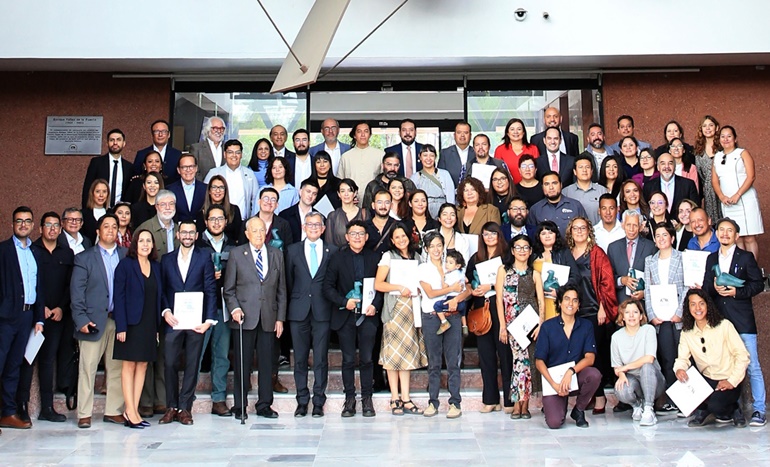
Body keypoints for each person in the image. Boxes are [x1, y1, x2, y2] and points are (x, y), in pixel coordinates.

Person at [703, 217, 766, 426]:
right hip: (720, 321)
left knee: (752, 365)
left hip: (742, 320)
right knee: (726, 367)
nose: (725, 234)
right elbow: (705, 288)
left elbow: (757, 284)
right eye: (721, 230)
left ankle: (759, 409)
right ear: (716, 233)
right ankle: (734, 409)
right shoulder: (711, 258)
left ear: (736, 235)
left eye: (729, 230)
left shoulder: (746, 257)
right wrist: (714, 288)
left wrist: (737, 292)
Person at [224, 216, 287, 420]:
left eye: (262, 230)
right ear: (247, 233)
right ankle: (240, 405)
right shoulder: (236, 254)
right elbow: (229, 289)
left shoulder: (276, 254)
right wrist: (234, 309)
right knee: (242, 363)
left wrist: (280, 318)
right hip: (244, 318)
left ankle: (264, 404)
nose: (259, 234)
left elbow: (281, 289)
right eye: (255, 230)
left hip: (269, 316)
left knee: (267, 362)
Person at [157, 220, 217, 426]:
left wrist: (208, 320)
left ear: (197, 235)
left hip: (196, 322)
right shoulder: (166, 259)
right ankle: (171, 407)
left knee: (192, 364)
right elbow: (162, 289)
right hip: (173, 320)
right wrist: (165, 311)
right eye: (184, 232)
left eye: (192, 232)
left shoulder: (204, 257)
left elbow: (210, 288)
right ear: (178, 235)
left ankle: (185, 408)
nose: (188, 236)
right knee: (170, 363)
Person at [71, 214, 127, 429]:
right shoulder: (84, 258)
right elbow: (77, 293)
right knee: (88, 369)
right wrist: (81, 320)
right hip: (92, 322)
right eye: (106, 226)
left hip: (118, 321)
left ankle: (113, 411)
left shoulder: (125, 255)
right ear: (98, 231)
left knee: (116, 368)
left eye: (114, 226)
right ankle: (84, 413)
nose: (111, 230)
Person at [16, 212, 72, 424]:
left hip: (56, 317)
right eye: (48, 225)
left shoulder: (67, 253)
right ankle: (22, 406)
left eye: (56, 225)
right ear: (40, 228)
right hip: (35, 316)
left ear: (61, 229)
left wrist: (60, 308)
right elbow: (30, 283)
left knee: (48, 361)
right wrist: (43, 308)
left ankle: (47, 408)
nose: (52, 229)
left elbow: (70, 285)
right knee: (28, 360)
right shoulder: (32, 251)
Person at [323, 220, 382, 417]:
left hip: (368, 316)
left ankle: (367, 399)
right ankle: (349, 399)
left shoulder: (375, 258)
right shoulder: (337, 258)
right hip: (345, 316)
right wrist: (343, 301)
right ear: (347, 237)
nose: (357, 237)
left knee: (367, 359)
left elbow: (382, 286)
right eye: (353, 234)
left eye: (361, 234)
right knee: (348, 359)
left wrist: (375, 305)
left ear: (367, 237)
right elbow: (327, 287)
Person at [286, 212, 338, 418]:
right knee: (299, 358)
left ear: (323, 228)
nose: (314, 228)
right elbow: (289, 281)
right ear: (303, 227)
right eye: (310, 224)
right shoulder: (292, 250)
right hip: (298, 310)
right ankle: (301, 400)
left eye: (318, 225)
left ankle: (318, 401)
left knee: (320, 358)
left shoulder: (332, 251)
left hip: (322, 310)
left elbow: (334, 281)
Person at [565, 216, 618, 414]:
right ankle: (588, 394)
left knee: (595, 355)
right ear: (570, 232)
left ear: (589, 231)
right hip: (574, 311)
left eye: (583, 228)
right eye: (575, 228)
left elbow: (607, 282)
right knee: (578, 355)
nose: (579, 231)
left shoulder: (597, 253)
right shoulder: (567, 254)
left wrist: (603, 307)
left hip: (594, 311)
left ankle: (600, 397)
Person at [675, 289, 749, 428]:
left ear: (708, 305)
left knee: (717, 406)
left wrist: (731, 381)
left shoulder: (724, 325)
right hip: (707, 379)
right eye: (693, 304)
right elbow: (682, 358)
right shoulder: (687, 332)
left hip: (727, 379)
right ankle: (703, 408)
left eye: (701, 303)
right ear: (688, 308)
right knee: (683, 387)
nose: (697, 308)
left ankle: (733, 408)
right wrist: (679, 369)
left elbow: (742, 355)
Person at [375, 222, 428, 416]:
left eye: (403, 236)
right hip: (394, 310)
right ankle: (394, 397)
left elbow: (424, 282)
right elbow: (378, 284)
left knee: (406, 355)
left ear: (409, 236)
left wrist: (419, 289)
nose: (401, 240)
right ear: (392, 240)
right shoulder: (388, 257)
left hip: (412, 311)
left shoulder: (418, 257)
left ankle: (406, 398)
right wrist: (399, 287)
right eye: (396, 237)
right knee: (393, 356)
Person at [0, 207, 44, 431]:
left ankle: (8, 413)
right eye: (19, 221)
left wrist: (39, 319)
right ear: (12, 225)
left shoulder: (35, 252)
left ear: (33, 225)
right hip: (6, 317)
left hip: (27, 316)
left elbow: (39, 286)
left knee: (14, 366)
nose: (23, 224)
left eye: (27, 221)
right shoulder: (3, 250)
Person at [113, 229, 162, 429]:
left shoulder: (156, 267)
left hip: (149, 324)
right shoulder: (125, 265)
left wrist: (157, 327)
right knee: (129, 365)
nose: (145, 244)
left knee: (143, 365)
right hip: (130, 324)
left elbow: (158, 297)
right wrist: (121, 326)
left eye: (148, 241)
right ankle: (130, 410)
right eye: (141, 240)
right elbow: (119, 297)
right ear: (135, 244)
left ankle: (133, 410)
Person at [418, 231, 470, 419]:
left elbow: (468, 288)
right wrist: (452, 289)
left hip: (453, 316)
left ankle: (455, 402)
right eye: (432, 246)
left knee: (453, 361)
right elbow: (430, 293)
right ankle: (433, 402)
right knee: (434, 362)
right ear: (426, 249)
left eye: (439, 245)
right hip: (432, 318)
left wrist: (457, 298)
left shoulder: (451, 265)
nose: (436, 249)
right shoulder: (423, 268)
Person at [536, 285, 602, 429]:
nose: (570, 303)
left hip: (575, 376)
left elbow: (590, 358)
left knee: (594, 375)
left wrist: (571, 371)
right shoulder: (547, 327)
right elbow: (539, 361)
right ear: (559, 302)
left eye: (575, 300)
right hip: (554, 381)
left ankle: (578, 410)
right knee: (554, 423)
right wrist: (554, 384)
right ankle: (556, 405)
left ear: (578, 305)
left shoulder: (586, 326)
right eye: (566, 299)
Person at [467, 222, 513, 413]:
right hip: (482, 308)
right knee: (486, 356)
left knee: (506, 355)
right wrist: (473, 290)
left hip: (502, 308)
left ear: (499, 235)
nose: (489, 237)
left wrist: (492, 286)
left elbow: (513, 281)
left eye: (493, 233)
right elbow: (468, 280)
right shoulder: (476, 257)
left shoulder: (507, 256)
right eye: (486, 234)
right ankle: (490, 399)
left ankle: (510, 401)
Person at [498, 234, 545, 419]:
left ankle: (522, 405)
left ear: (531, 251)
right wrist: (502, 326)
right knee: (519, 362)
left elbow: (541, 301)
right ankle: (519, 403)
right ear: (512, 250)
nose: (522, 251)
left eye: (526, 247)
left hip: (529, 323)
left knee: (526, 362)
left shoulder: (535, 274)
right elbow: (499, 301)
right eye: (518, 247)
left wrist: (540, 324)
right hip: (512, 324)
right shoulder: (504, 270)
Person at [195, 204, 237, 416]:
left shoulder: (234, 245)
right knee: (196, 353)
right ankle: (186, 399)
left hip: (224, 307)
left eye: (220, 219)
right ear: (206, 222)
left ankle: (219, 399)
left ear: (226, 221)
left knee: (221, 355)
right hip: (201, 309)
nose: (217, 222)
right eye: (212, 219)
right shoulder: (197, 244)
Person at [643, 223, 687, 414]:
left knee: (682, 358)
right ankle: (672, 399)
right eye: (658, 235)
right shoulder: (650, 261)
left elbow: (687, 286)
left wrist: (680, 312)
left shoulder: (682, 257)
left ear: (672, 238)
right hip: (660, 319)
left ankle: (688, 400)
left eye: (665, 235)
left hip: (678, 317)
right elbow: (647, 290)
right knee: (668, 359)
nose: (661, 239)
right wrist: (652, 315)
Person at [611, 299, 666, 426]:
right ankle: (637, 405)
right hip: (633, 379)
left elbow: (649, 358)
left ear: (641, 316)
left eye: (635, 312)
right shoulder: (616, 337)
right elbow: (617, 366)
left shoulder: (648, 330)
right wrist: (622, 375)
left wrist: (625, 367)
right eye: (627, 312)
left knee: (646, 367)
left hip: (653, 379)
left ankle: (648, 408)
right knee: (621, 389)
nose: (631, 315)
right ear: (622, 317)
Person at [712, 126, 763, 260]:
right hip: (727, 203)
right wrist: (721, 196)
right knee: (736, 238)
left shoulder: (742, 153)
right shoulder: (717, 156)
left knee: (749, 237)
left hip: (745, 201)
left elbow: (751, 176)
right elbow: (715, 181)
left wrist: (738, 195)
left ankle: (751, 269)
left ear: (735, 139)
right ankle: (741, 269)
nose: (726, 139)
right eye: (723, 136)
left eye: (729, 136)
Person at [532, 221, 580, 321]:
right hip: (538, 301)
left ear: (556, 235)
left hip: (557, 300)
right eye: (543, 233)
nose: (547, 236)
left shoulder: (564, 253)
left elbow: (575, 276)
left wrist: (560, 291)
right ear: (538, 236)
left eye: (550, 232)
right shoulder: (532, 255)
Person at [607, 210, 656, 305]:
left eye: (635, 225)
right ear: (623, 225)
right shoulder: (613, 248)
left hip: (642, 305)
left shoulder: (650, 247)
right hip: (621, 303)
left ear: (641, 227)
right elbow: (608, 278)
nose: (631, 229)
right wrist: (622, 280)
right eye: (628, 225)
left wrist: (645, 293)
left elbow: (655, 278)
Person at [203, 139, 260, 220]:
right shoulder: (213, 173)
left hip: (243, 221)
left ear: (241, 155)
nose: (234, 155)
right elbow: (205, 197)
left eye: (237, 152)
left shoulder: (249, 174)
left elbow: (256, 199)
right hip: (218, 221)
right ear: (224, 154)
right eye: (230, 152)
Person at [82, 128, 134, 208]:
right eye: (112, 140)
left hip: (119, 211)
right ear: (107, 143)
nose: (115, 143)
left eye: (118, 140)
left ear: (124, 143)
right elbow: (87, 187)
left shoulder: (129, 166)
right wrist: (86, 210)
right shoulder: (96, 162)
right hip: (99, 208)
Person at [529, 171, 587, 236]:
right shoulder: (535, 210)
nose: (551, 187)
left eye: (554, 183)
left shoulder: (576, 206)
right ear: (542, 187)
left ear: (561, 185)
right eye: (547, 184)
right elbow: (532, 235)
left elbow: (586, 229)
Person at [409, 144, 455, 219]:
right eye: (425, 155)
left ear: (435, 157)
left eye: (431, 155)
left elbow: (451, 197)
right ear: (420, 157)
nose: (428, 158)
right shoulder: (415, 177)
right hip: (422, 212)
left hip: (442, 213)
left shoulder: (444, 174)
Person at [195, 175, 244, 244]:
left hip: (230, 248)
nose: (218, 191)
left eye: (221, 187)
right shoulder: (201, 213)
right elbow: (199, 238)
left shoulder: (234, 210)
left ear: (225, 191)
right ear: (209, 191)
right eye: (214, 187)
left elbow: (238, 237)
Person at [338, 121, 384, 193]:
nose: (363, 134)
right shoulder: (345, 157)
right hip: (351, 197)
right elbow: (340, 181)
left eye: (366, 131)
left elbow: (384, 180)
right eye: (359, 131)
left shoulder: (380, 155)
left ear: (370, 135)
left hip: (373, 196)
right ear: (354, 135)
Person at [562, 153, 608, 226]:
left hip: (597, 231)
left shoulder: (602, 191)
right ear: (575, 171)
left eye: (587, 167)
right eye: (580, 167)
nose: (584, 170)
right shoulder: (566, 192)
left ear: (592, 171)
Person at [132, 119, 182, 184]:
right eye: (156, 131)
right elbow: (136, 176)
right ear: (152, 135)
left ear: (169, 134)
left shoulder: (177, 154)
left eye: (164, 131)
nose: (160, 134)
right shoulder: (141, 154)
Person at [694, 115, 723, 223]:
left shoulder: (723, 147)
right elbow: (700, 174)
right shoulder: (698, 150)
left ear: (717, 127)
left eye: (711, 125)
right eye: (704, 126)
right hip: (709, 193)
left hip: (724, 189)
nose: (708, 128)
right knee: (713, 223)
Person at [431, 250, 466, 334]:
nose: (447, 264)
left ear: (457, 266)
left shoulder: (452, 275)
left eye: (450, 263)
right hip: (462, 300)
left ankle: (444, 322)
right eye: (446, 262)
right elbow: (466, 280)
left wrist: (443, 277)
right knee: (463, 311)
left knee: (437, 305)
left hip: (452, 299)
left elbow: (444, 287)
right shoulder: (461, 272)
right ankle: (465, 326)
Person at [325, 178, 369, 248]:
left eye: (349, 191)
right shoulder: (333, 216)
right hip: (339, 254)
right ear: (339, 194)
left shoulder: (364, 214)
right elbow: (329, 243)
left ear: (355, 193)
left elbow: (368, 239)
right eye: (342, 191)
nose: (346, 194)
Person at [494, 118, 539, 184]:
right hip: (508, 188)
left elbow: (537, 171)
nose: (516, 132)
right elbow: (497, 172)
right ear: (507, 133)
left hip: (529, 186)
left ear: (523, 132)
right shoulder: (500, 150)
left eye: (519, 129)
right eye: (512, 129)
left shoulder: (533, 149)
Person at [136, 189, 179, 258]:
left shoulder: (179, 229)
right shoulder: (145, 228)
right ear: (156, 207)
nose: (168, 208)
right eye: (163, 204)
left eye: (171, 204)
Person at [167, 153, 208, 222]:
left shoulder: (206, 189)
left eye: (191, 166)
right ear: (178, 170)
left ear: (196, 168)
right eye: (184, 167)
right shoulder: (170, 190)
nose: (188, 170)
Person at [280, 178, 320, 243]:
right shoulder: (285, 215)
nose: (310, 196)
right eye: (308, 191)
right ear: (300, 192)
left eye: (314, 194)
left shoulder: (320, 217)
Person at [438, 121, 475, 185]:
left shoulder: (476, 153)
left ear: (470, 136)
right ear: (454, 135)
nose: (462, 135)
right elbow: (440, 177)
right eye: (459, 132)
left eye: (466, 132)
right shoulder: (445, 153)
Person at [364, 190, 398, 256]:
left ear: (391, 205)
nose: (383, 206)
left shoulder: (398, 225)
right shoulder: (364, 227)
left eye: (387, 203)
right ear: (373, 205)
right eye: (379, 202)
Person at [191, 116, 226, 181]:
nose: (219, 131)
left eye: (221, 128)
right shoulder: (197, 148)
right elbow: (194, 172)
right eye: (215, 128)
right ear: (208, 130)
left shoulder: (227, 148)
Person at [81, 179, 110, 245]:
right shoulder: (83, 214)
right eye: (97, 191)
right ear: (92, 193)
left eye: (104, 191)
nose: (101, 195)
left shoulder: (111, 213)